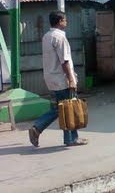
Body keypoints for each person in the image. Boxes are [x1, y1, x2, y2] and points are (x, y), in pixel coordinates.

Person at [29, 11, 88, 147]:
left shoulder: (47, 36)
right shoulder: (60, 38)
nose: (66, 22)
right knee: (66, 108)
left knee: (62, 107)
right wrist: (71, 79)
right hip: (62, 79)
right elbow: (65, 61)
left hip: (51, 77)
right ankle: (39, 128)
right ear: (60, 21)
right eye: (65, 20)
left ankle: (68, 137)